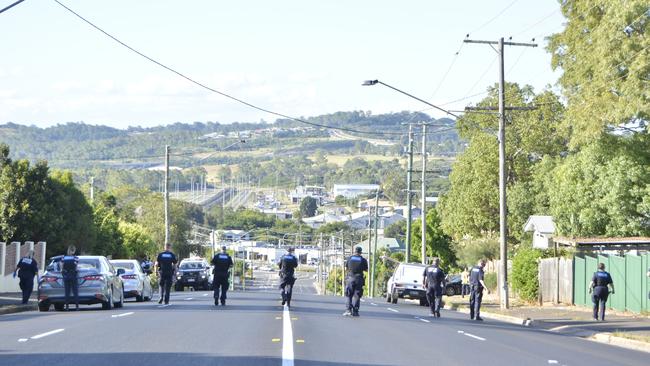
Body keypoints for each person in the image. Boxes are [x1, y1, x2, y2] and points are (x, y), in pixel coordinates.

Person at [343, 246, 368, 317]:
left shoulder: (350, 258)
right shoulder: (363, 260)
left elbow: (346, 268)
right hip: (359, 279)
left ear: (355, 251)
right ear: (361, 252)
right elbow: (366, 270)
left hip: (350, 278)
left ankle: (348, 310)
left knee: (349, 295)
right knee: (357, 295)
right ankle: (356, 311)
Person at [62, 245, 79, 311]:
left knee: (67, 292)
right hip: (73, 275)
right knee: (75, 291)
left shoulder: (64, 258)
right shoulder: (75, 258)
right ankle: (77, 307)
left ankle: (67, 307)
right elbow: (76, 266)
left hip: (66, 276)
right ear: (73, 251)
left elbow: (62, 266)